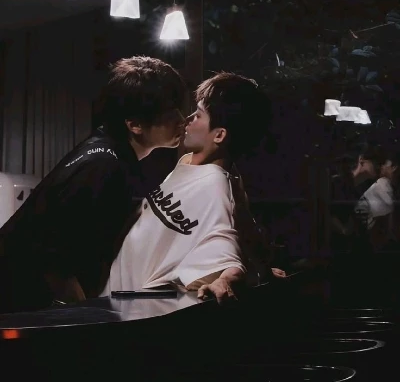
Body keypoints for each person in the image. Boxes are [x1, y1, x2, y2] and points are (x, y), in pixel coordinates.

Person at [0, 56, 187, 312]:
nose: (181, 120)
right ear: (134, 124)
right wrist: (80, 314)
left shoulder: (106, 150)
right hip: (17, 303)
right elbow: (53, 257)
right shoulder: (104, 166)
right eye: (170, 114)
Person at [101, 72, 277, 303]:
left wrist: (228, 277)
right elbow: (243, 223)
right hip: (112, 294)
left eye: (199, 115)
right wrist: (260, 267)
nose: (188, 119)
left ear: (219, 135)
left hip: (137, 308)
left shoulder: (215, 185)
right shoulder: (189, 163)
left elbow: (224, 240)